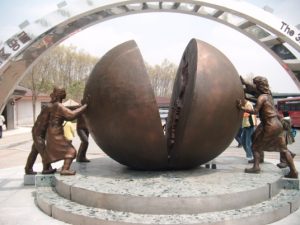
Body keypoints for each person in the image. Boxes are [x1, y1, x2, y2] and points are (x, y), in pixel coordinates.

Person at [237, 76, 298, 178]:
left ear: (259, 86)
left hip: (270, 125)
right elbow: (254, 93)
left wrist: (241, 107)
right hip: (276, 124)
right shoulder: (268, 94)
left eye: (255, 84)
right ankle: (294, 171)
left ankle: (256, 167)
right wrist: (245, 84)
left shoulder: (261, 98)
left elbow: (255, 111)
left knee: (255, 146)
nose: (254, 86)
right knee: (283, 149)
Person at [43, 87, 87, 175]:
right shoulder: (58, 106)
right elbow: (71, 115)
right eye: (63, 92)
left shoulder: (53, 105)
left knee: (50, 150)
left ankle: (46, 168)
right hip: (56, 132)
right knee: (71, 151)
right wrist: (85, 106)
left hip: (51, 131)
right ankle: (65, 169)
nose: (65, 93)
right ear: (61, 95)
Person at [24, 93, 57, 175]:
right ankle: (46, 169)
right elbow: (64, 112)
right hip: (38, 133)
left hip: (38, 132)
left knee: (34, 151)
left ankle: (28, 168)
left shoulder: (51, 106)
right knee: (44, 151)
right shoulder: (50, 107)